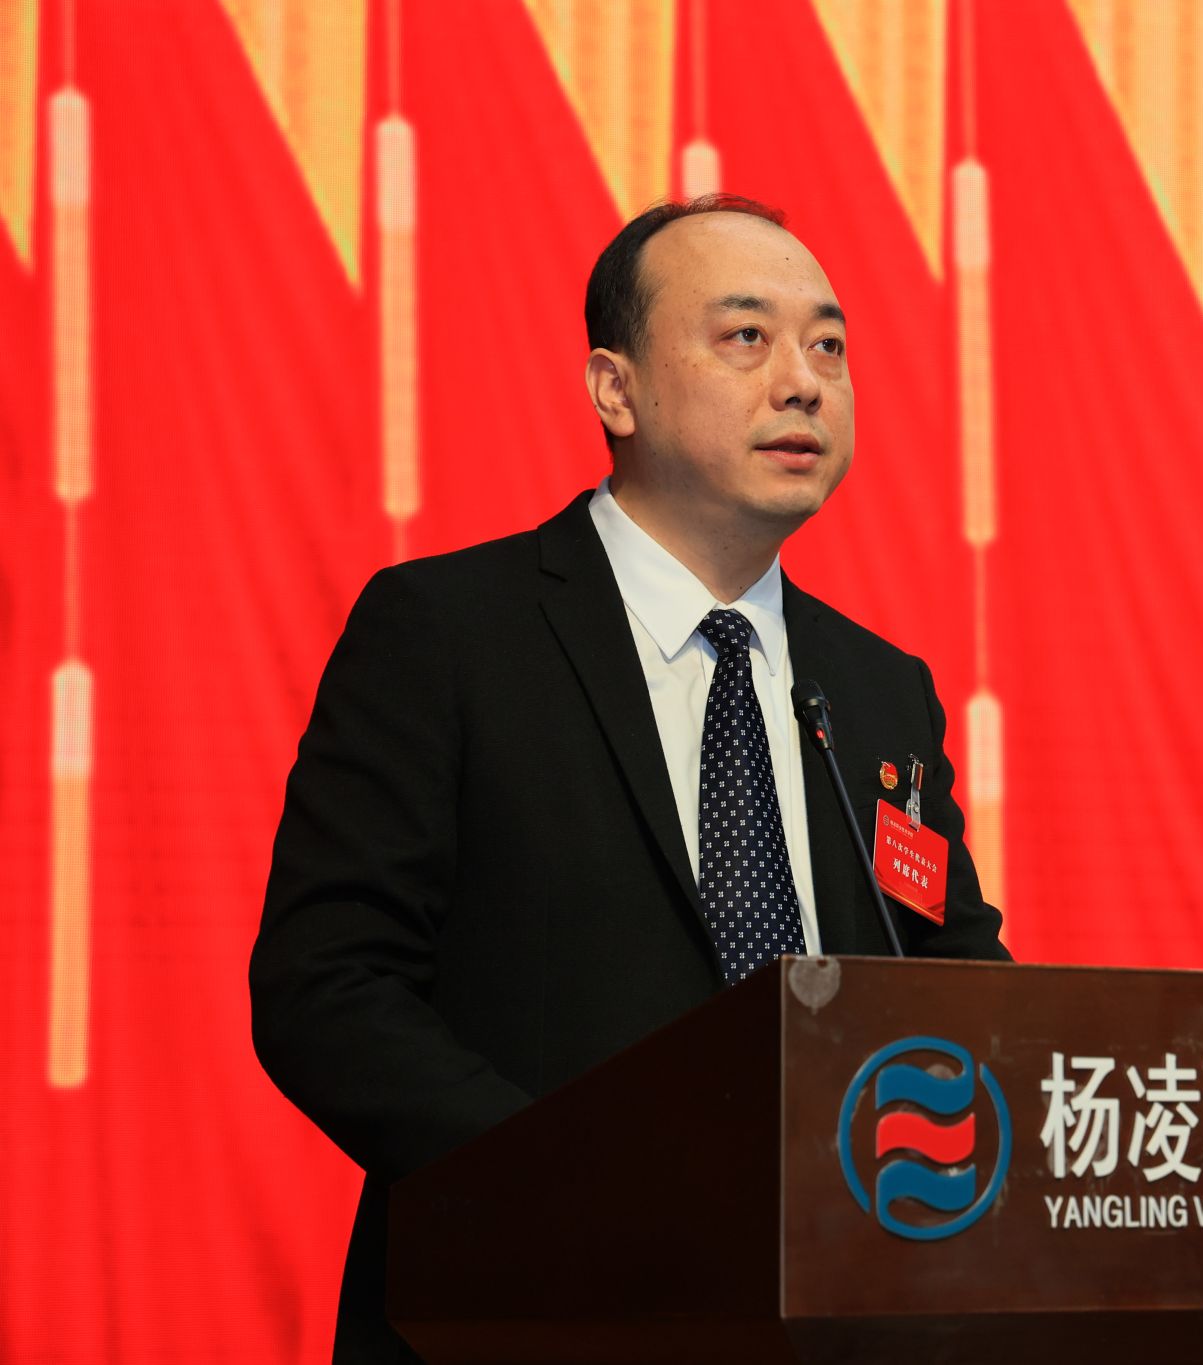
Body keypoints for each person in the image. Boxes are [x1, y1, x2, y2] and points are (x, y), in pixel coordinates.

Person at [249, 195, 1008, 1364]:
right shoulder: (449, 634)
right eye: (746, 337)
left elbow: (955, 989)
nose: (803, 383)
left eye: (828, 347)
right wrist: (574, 1193)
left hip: (832, 1315)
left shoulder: (877, 690)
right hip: (527, 1311)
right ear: (615, 389)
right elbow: (328, 990)